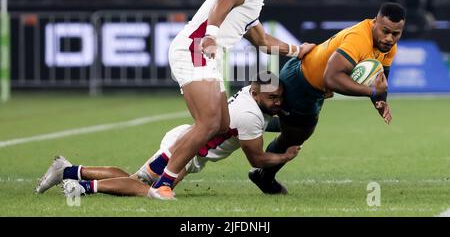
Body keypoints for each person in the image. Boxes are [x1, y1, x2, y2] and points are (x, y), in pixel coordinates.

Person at [146, 0, 314, 200]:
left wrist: (297, 50)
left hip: (204, 54)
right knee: (210, 123)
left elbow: (263, 40)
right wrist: (211, 35)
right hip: (197, 48)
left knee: (220, 125)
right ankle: (163, 183)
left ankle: (155, 169)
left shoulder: (250, 4)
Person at [35, 73, 301, 198]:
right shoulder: (251, 114)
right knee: (147, 189)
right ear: (256, 94)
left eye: (280, 97)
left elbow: (258, 123)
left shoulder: (251, 96)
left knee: (137, 180)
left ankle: (68, 172)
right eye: (272, 97)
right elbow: (256, 159)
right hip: (184, 149)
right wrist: (284, 156)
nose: (277, 102)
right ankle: (79, 186)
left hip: (187, 142)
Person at [248, 2, 406, 194]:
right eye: (385, 31)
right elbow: (332, 78)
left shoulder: (389, 48)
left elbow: (381, 79)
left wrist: (380, 101)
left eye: (395, 34)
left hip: (314, 87)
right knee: (295, 135)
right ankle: (264, 176)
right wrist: (371, 92)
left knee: (297, 129)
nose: (389, 38)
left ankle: (257, 128)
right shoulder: (358, 39)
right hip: (301, 81)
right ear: (375, 22)